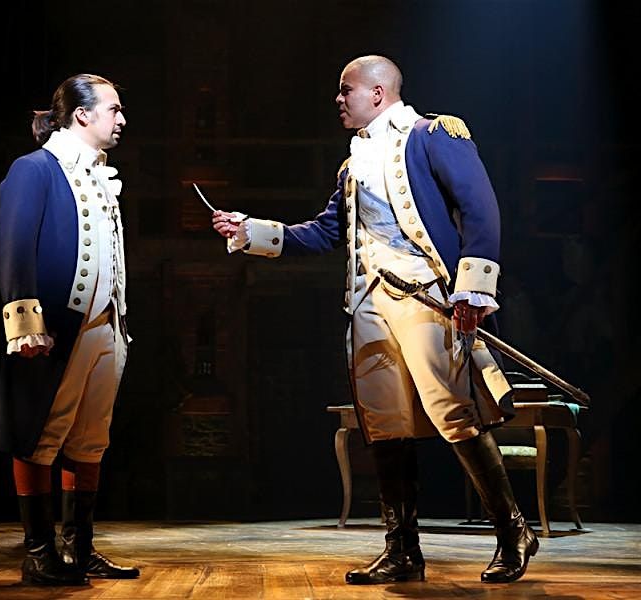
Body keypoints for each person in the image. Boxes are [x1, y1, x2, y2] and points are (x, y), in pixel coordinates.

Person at [212, 55, 537, 585]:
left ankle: (512, 530)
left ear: (378, 93)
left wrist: (474, 288)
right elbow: (326, 232)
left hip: (425, 294)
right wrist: (251, 232)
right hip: (368, 300)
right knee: (386, 422)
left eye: (347, 90)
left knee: (452, 412)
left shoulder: (433, 135)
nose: (338, 100)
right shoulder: (352, 164)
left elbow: (480, 206)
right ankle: (402, 550)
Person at [0, 73, 140, 586]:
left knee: (90, 439)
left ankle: (80, 549)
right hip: (56, 328)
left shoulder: (101, 173)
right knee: (39, 435)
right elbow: (14, 245)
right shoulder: (35, 169)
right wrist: (25, 325)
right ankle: (38, 552)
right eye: (114, 109)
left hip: (105, 327)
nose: (121, 120)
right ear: (82, 114)